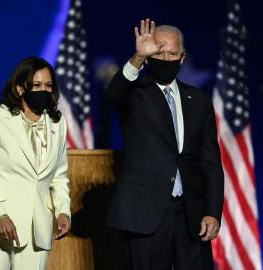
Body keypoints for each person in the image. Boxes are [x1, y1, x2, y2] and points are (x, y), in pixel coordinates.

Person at [106, 19, 224, 270]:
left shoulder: (199, 100)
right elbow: (113, 94)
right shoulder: (134, 93)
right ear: (150, 56)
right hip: (145, 212)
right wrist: (137, 58)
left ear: (182, 58)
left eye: (173, 53)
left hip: (191, 215)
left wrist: (212, 211)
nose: (167, 58)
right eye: (159, 52)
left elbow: (210, 161)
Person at [0, 56, 71, 270]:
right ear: (20, 89)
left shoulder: (57, 124)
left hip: (37, 230)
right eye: (37, 85)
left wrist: (63, 210)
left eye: (49, 86)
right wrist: (0, 215)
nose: (44, 91)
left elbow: (59, 175)